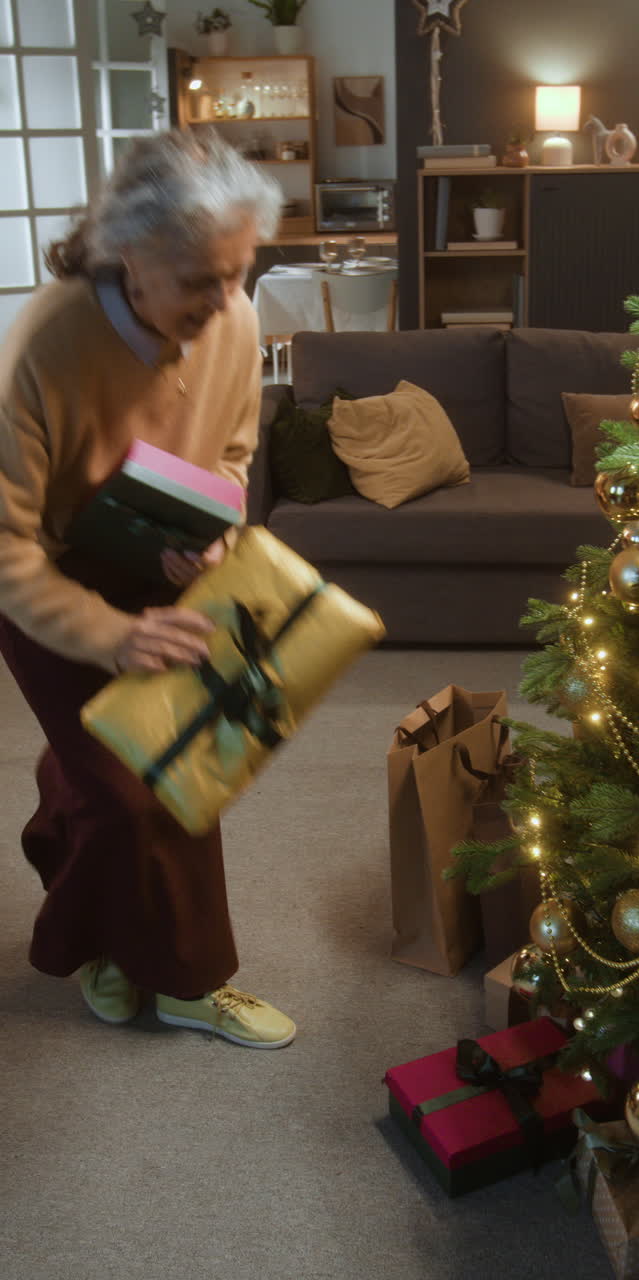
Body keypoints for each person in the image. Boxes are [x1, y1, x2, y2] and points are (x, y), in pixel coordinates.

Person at [0, 129, 297, 1049]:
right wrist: (111, 635)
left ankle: (67, 829)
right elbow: (6, 550)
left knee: (150, 772)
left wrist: (212, 537)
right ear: (127, 253)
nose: (226, 302)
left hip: (156, 558)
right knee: (149, 791)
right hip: (47, 587)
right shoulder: (44, 343)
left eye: (240, 274)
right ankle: (188, 982)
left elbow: (236, 452)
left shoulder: (236, 318)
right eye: (201, 279)